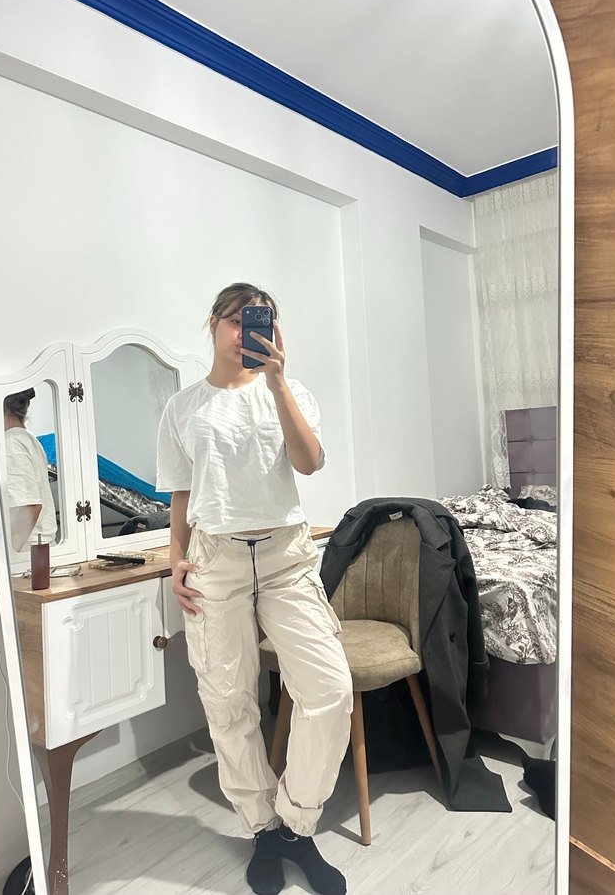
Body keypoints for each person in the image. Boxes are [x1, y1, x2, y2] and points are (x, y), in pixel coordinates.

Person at [156, 283, 352, 895]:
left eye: (259, 321)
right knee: (228, 702)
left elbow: (310, 462)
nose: (247, 332)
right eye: (237, 320)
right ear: (213, 323)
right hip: (214, 559)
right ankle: (263, 830)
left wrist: (278, 383)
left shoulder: (289, 391)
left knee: (329, 690)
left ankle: (296, 823)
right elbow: (181, 494)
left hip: (286, 555)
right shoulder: (183, 407)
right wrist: (176, 561)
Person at [3, 388, 57, 553]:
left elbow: (30, 506)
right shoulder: (26, 438)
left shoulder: (12, 444)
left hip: (27, 551)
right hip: (37, 548)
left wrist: (8, 551)